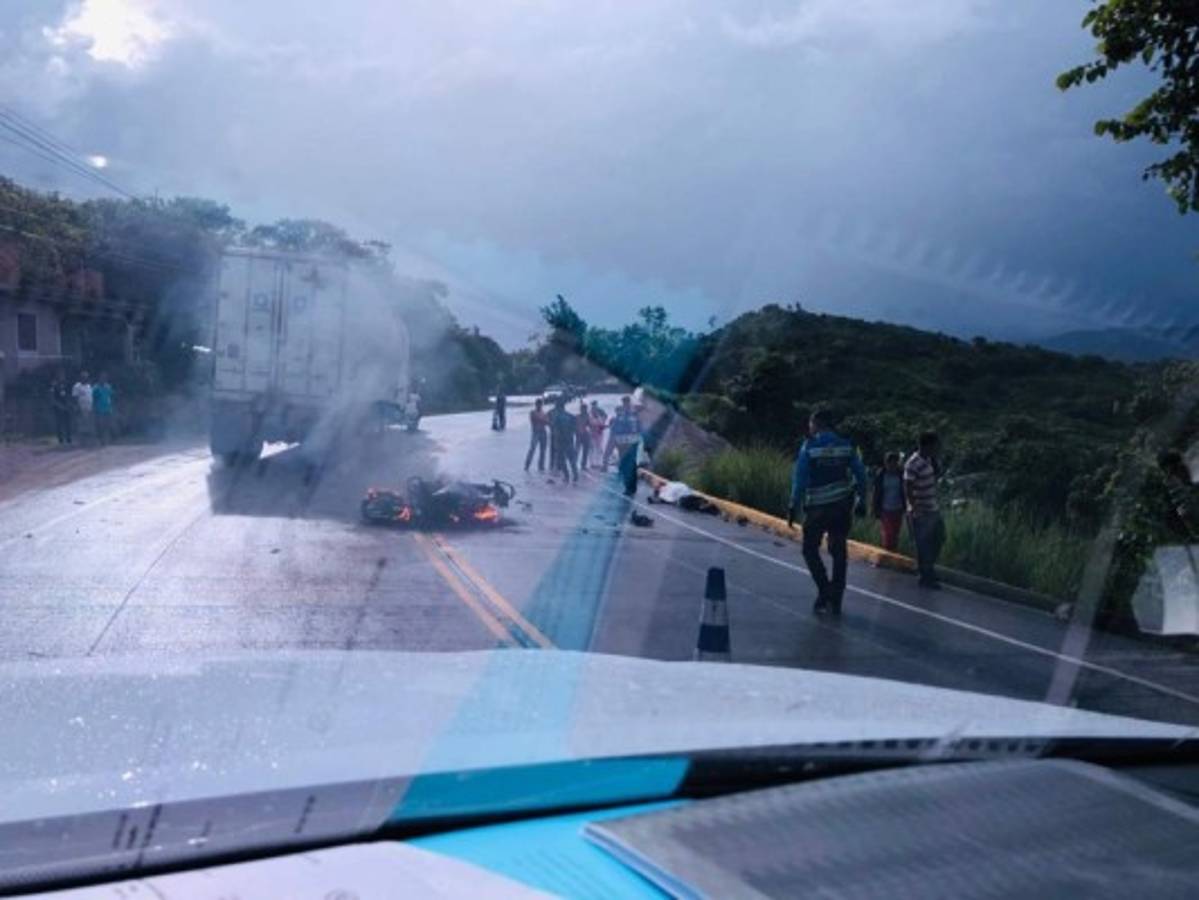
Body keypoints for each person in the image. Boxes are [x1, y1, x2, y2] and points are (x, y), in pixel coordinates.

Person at [788, 409, 868, 616]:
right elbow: (861, 474)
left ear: (816, 424)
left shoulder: (810, 446)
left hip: (817, 507)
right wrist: (862, 499)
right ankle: (837, 598)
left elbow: (800, 479)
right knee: (839, 552)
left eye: (811, 424)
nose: (810, 428)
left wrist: (793, 505)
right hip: (842, 507)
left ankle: (825, 589)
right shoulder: (846, 445)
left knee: (809, 549)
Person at [905, 431, 945, 589]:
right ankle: (926, 575)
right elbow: (907, 488)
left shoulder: (930, 459)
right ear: (927, 445)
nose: (937, 448)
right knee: (924, 544)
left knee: (939, 537)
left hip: (932, 507)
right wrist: (914, 508)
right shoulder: (913, 463)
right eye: (935, 445)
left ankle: (928, 569)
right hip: (921, 509)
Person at [872, 451, 906, 552]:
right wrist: (875, 508)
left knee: (895, 533)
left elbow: (905, 491)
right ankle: (887, 552)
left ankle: (893, 552)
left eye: (894, 463)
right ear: (886, 463)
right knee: (888, 533)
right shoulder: (881, 475)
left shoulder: (901, 475)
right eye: (889, 463)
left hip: (898, 508)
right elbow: (876, 493)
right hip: (885, 508)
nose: (892, 465)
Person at [549, 397, 578, 482]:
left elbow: (555, 429)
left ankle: (567, 476)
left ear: (558, 407)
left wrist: (556, 441)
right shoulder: (571, 416)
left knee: (561, 460)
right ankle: (575, 474)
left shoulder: (557, 417)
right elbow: (574, 428)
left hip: (561, 441)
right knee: (571, 459)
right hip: (569, 440)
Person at [524, 398, 550, 472]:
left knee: (543, 450)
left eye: (540, 404)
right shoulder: (533, 412)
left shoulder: (543, 413)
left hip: (543, 432)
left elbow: (547, 422)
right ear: (536, 405)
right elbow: (538, 419)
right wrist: (544, 420)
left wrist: (545, 420)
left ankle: (541, 466)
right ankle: (527, 465)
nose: (539, 406)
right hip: (536, 433)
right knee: (532, 449)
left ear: (541, 405)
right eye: (538, 404)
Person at [49, 371, 73, 446]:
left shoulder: (66, 385)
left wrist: (69, 404)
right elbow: (52, 398)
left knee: (68, 423)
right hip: (58, 408)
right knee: (59, 424)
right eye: (60, 375)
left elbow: (69, 395)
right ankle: (61, 440)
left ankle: (68, 439)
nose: (62, 377)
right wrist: (60, 406)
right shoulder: (54, 385)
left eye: (63, 375)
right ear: (58, 376)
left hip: (66, 407)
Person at [92, 373, 115, 446]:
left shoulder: (108, 386)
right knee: (100, 425)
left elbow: (111, 395)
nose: (103, 379)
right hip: (99, 409)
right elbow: (93, 398)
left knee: (107, 425)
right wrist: (94, 408)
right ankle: (101, 439)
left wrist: (111, 406)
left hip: (107, 408)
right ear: (99, 379)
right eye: (102, 378)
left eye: (104, 378)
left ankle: (106, 439)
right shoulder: (96, 388)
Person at [71, 371, 94, 446]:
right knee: (81, 426)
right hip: (81, 408)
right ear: (81, 378)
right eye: (83, 377)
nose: (85, 378)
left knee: (88, 425)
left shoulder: (89, 386)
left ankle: (87, 442)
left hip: (89, 408)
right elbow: (75, 397)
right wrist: (76, 407)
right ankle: (80, 442)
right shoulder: (77, 386)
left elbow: (90, 397)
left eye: (86, 377)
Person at [575, 400, 592, 469]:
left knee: (585, 451)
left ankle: (583, 465)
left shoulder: (587, 416)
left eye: (584, 409)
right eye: (582, 409)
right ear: (581, 410)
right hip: (579, 435)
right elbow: (574, 426)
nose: (583, 410)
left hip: (585, 435)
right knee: (577, 451)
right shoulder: (577, 417)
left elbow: (590, 425)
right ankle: (574, 464)